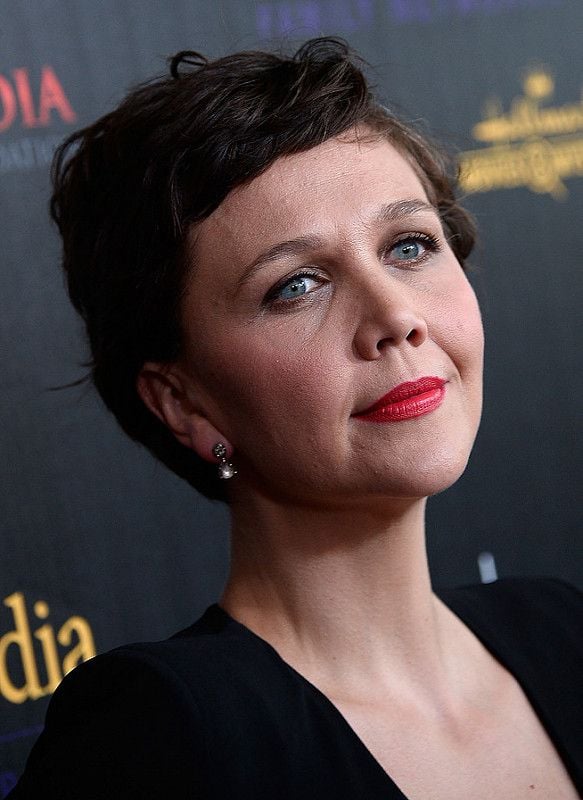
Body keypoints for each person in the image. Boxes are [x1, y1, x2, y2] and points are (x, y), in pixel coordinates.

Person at [9, 38, 582, 800]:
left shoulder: (562, 633)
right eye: (297, 286)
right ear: (182, 401)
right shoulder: (163, 739)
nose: (394, 316)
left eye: (408, 245)